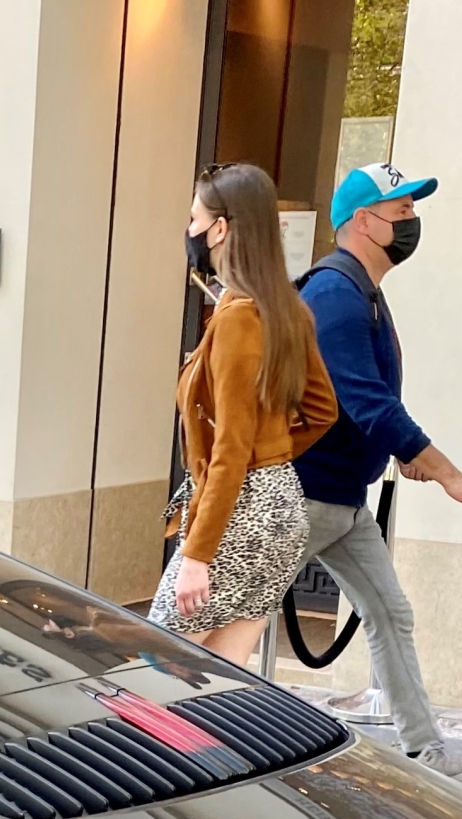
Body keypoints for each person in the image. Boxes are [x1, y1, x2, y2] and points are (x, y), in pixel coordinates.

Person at [295, 162, 462, 775]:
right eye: (403, 212)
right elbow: (367, 401)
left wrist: (400, 453)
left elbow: (359, 402)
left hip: (337, 498)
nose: (413, 222)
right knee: (224, 624)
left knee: (390, 615)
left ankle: (427, 752)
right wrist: (448, 474)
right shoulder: (334, 293)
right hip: (302, 497)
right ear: (363, 222)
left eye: (413, 210)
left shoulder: (360, 290)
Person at [153, 163, 337, 667]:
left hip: (238, 513)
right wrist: (273, 455)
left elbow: (231, 449)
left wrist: (196, 556)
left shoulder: (237, 318)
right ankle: (214, 749)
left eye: (194, 219)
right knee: (217, 676)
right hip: (280, 509)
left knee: (157, 667)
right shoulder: (285, 308)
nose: (189, 230)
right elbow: (322, 410)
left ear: (220, 228)